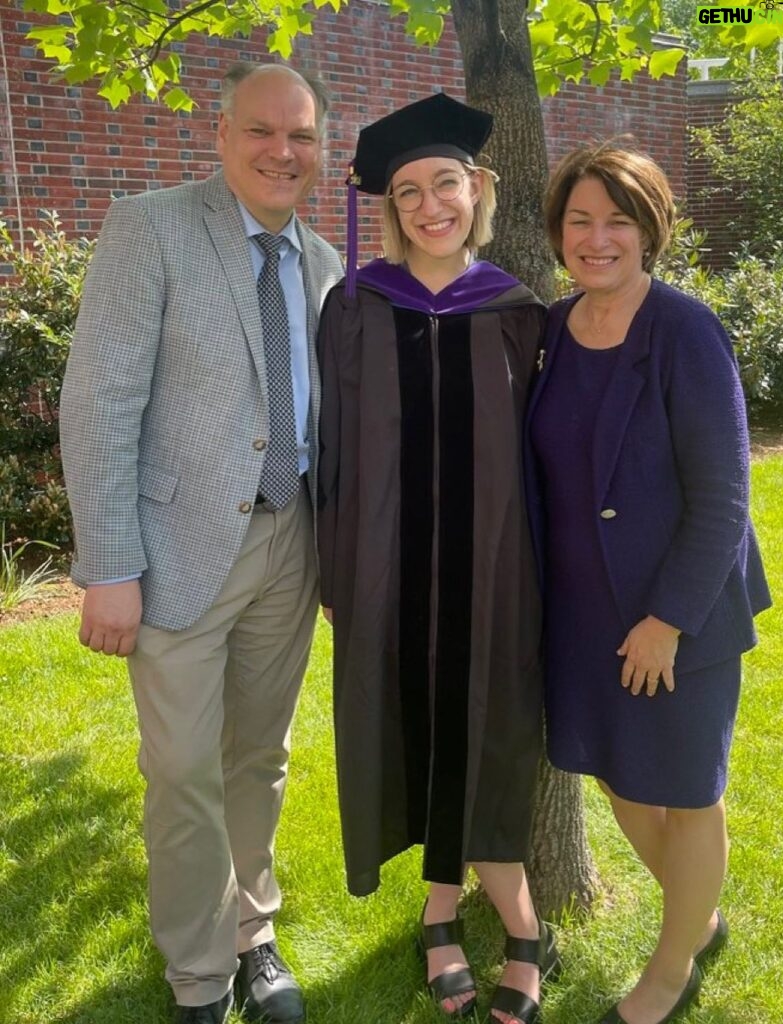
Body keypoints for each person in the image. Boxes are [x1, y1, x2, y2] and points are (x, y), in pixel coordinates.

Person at [59, 62, 343, 1024]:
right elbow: (101, 404)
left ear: (321, 148)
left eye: (300, 135)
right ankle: (196, 976)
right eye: (262, 131)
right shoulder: (154, 228)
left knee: (259, 757)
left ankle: (251, 931)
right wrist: (108, 567)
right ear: (220, 136)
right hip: (176, 550)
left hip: (289, 547)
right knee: (182, 770)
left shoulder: (324, 264)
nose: (282, 151)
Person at [316, 92, 560, 1024]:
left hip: (497, 572)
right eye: (410, 190)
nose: (430, 205)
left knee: (491, 728)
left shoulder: (516, 312)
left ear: (477, 190)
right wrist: (344, 575)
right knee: (409, 723)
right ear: (390, 205)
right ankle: (439, 907)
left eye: (446, 184)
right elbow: (333, 449)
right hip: (386, 569)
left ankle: (515, 919)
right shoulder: (355, 307)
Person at [524, 142, 771, 1024]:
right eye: (580, 221)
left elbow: (724, 496)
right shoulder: (553, 327)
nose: (596, 239)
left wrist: (668, 618)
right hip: (585, 612)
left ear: (649, 229)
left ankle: (667, 973)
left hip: (680, 610)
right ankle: (693, 918)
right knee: (620, 777)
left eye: (616, 222)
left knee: (686, 787)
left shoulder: (685, 330)